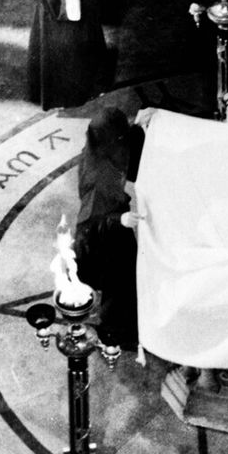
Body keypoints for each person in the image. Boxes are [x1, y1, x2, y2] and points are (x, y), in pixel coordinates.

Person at [73, 106, 144, 349]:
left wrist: (141, 123)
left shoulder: (104, 147)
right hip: (104, 240)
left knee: (125, 281)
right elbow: (88, 225)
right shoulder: (96, 177)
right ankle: (117, 335)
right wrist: (119, 221)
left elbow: (129, 139)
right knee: (118, 285)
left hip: (116, 227)